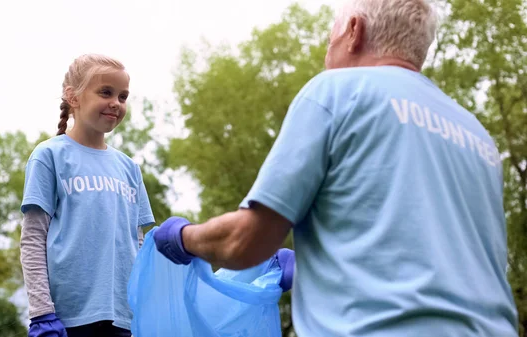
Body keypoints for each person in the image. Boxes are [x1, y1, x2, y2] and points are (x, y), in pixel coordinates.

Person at [153, 0, 520, 335]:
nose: (327, 51)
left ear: (354, 31)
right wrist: (318, 264)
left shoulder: (338, 90)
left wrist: (184, 238)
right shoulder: (476, 134)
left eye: (330, 36)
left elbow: (247, 241)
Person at [20, 54, 155, 337]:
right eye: (106, 92)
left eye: (123, 96)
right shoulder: (49, 156)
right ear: (73, 96)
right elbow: (33, 239)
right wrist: (42, 312)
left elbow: (138, 243)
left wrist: (143, 305)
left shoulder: (130, 168)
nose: (116, 103)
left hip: (124, 318)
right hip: (67, 319)